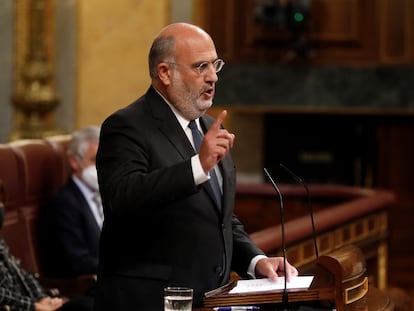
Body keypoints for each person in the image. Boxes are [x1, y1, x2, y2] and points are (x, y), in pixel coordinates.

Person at [94, 22, 298, 311]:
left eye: (215, 65)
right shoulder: (127, 126)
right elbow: (123, 198)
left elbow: (219, 217)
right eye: (201, 66)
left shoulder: (207, 127)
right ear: (165, 73)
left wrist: (256, 260)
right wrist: (197, 166)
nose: (213, 77)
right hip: (149, 300)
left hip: (209, 298)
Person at [0, 184, 93, 311]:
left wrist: (42, 298)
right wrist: (34, 306)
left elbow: (23, 275)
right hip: (22, 308)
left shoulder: (1, 242)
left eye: (1, 201)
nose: (1, 207)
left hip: (37, 304)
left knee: (97, 298)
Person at [39, 126, 102, 278]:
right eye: (94, 160)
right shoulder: (63, 205)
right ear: (74, 162)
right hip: (86, 286)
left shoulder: (105, 195)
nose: (101, 167)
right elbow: (78, 262)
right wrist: (122, 266)